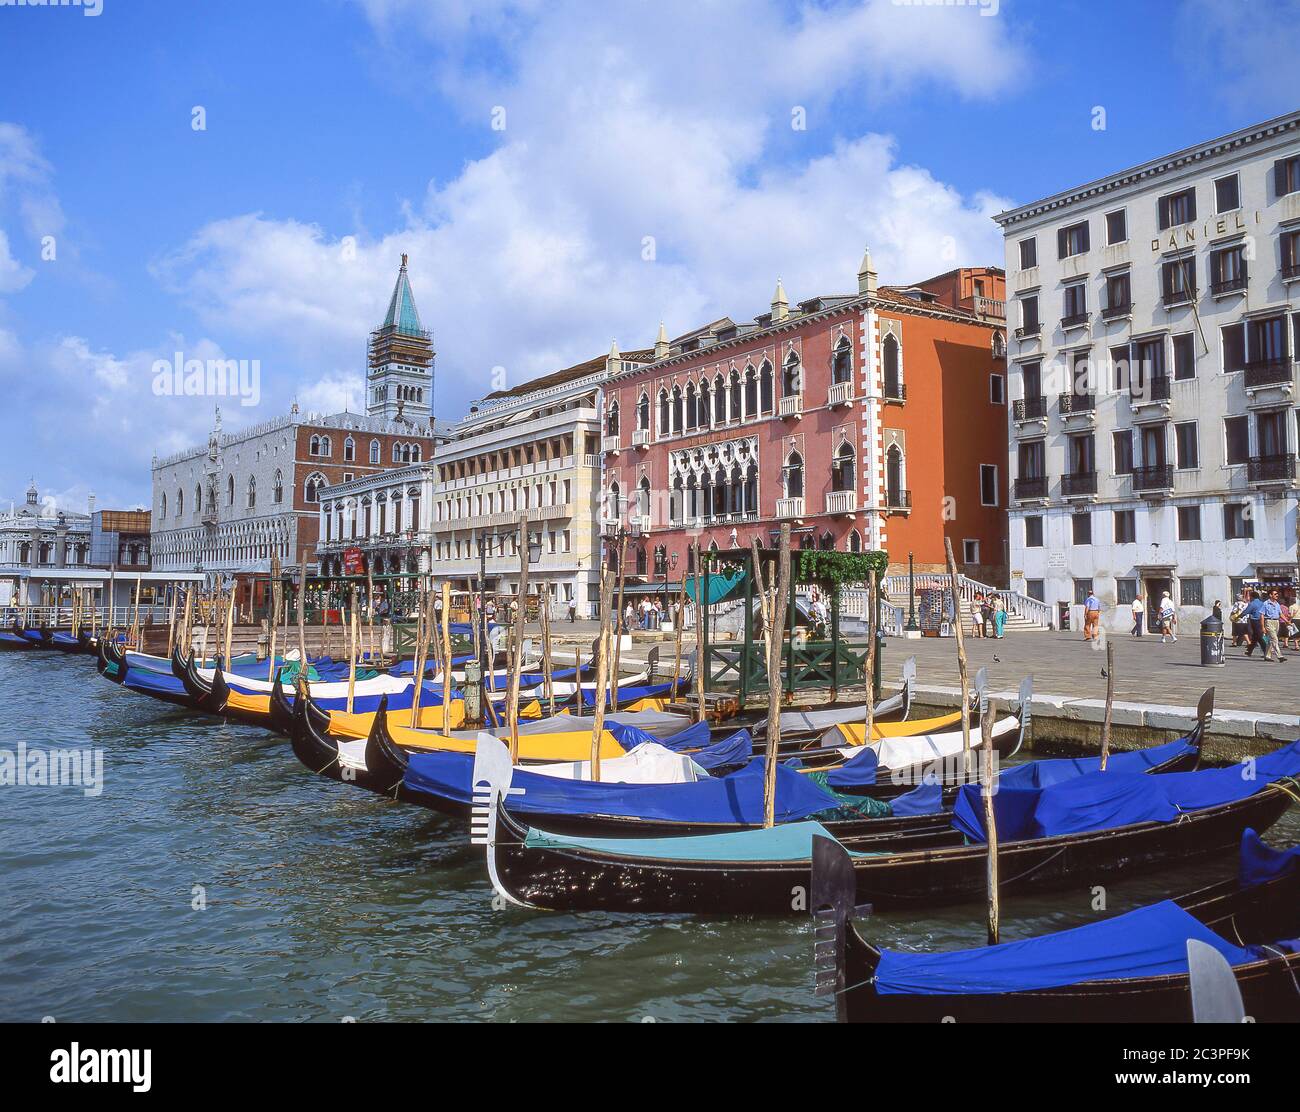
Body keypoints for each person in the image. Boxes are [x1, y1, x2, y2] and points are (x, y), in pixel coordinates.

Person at [1261, 588, 1285, 663]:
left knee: (1271, 640)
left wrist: (1287, 621)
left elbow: (1280, 614)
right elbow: (1262, 615)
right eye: (1275, 594)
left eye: (1277, 594)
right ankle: (1280, 656)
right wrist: (1262, 627)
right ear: (1270, 595)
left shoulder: (1277, 604)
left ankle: (1267, 656)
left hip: (1276, 622)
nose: (1277, 595)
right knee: (1274, 639)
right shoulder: (1265, 603)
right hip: (1269, 621)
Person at [1243, 591, 1265, 656]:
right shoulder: (1262, 603)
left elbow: (1246, 611)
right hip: (1262, 620)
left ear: (1252, 597)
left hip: (1255, 621)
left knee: (1259, 637)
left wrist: (1238, 616)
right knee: (1255, 637)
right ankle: (1249, 650)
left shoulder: (1252, 604)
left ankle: (1265, 651)